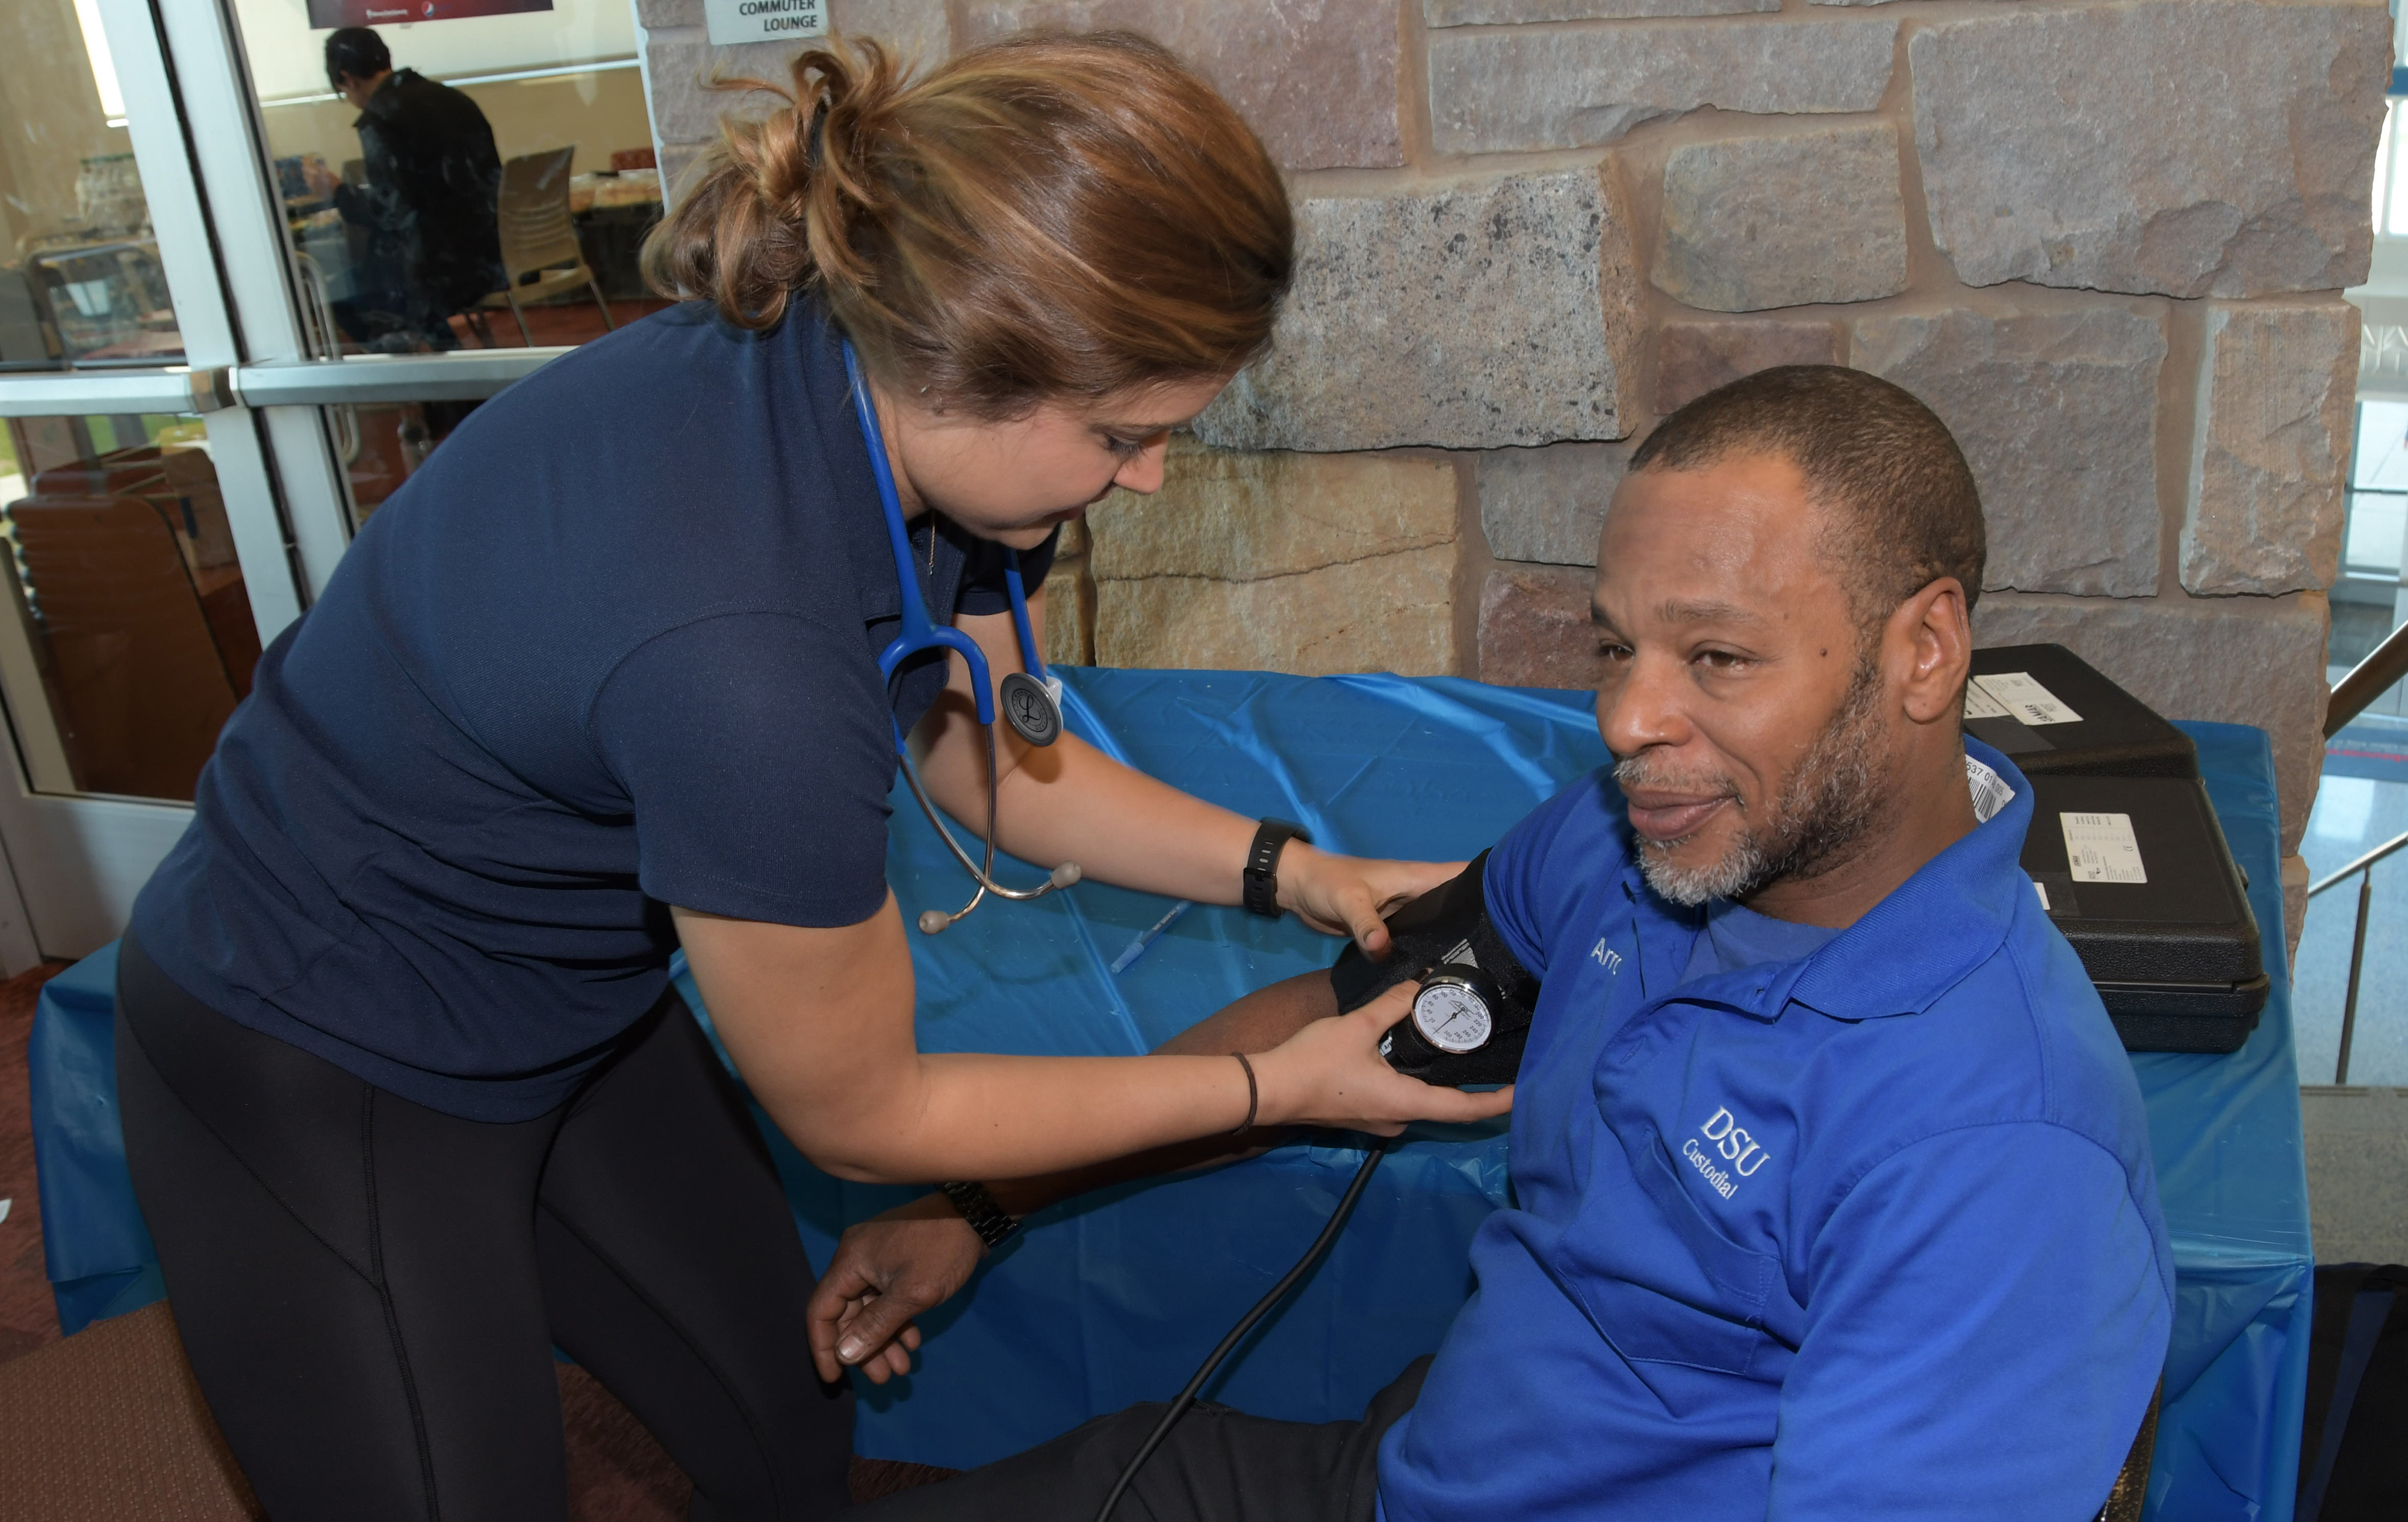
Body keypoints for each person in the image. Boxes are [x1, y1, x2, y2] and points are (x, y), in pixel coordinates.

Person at [114, 33, 1505, 1522]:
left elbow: (982, 752)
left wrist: (1297, 872)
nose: (1152, 476)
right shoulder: (738, 658)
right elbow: (865, 1112)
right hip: (322, 1046)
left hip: (570, 1004)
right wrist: (1274, 1084)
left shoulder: (859, 374)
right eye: (1124, 435)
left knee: (779, 1408)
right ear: (968, 350)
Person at [816, 366, 2176, 1521]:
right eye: (1615, 648)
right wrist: (982, 1202)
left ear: (1924, 650)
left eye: (1715, 658)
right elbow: (1337, 1029)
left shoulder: (2001, 1156)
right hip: (1410, 1471)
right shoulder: (1626, 842)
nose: (1628, 719)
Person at [305, 26, 504, 351]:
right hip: (489, 254)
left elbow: (391, 213)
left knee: (339, 295)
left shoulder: (381, 118)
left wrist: (339, 192)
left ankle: (438, 382)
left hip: (440, 271)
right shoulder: (452, 98)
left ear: (348, 78)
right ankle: (449, 368)